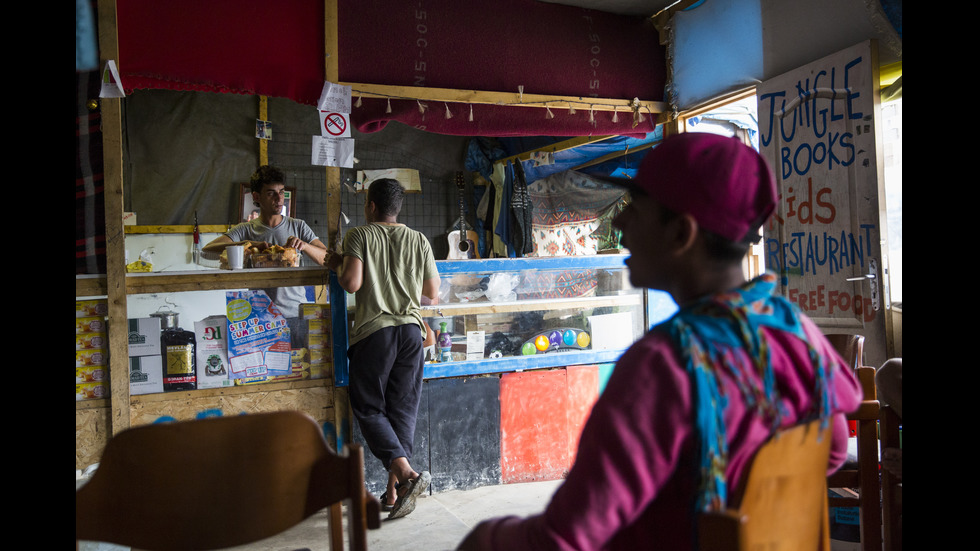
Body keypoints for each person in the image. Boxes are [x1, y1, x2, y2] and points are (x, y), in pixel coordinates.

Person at [457, 133, 864, 550]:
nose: (618, 223)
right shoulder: (793, 331)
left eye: (635, 208)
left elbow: (564, 539)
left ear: (680, 234)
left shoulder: (664, 365)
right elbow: (831, 450)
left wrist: (486, 538)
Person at [324, 178, 441, 519]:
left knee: (370, 408)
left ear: (371, 206)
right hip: (411, 334)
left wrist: (335, 262)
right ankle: (393, 491)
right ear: (397, 208)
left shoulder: (359, 235)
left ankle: (407, 475)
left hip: (375, 334)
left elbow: (351, 283)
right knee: (402, 411)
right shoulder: (418, 239)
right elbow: (432, 291)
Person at [205, 165, 327, 347]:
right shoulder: (246, 229)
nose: (279, 199)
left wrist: (305, 245)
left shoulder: (298, 226)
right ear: (256, 197)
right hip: (259, 319)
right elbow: (209, 249)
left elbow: (326, 257)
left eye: (282, 192)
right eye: (271, 193)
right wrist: (249, 244)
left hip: (296, 315)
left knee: (300, 371)